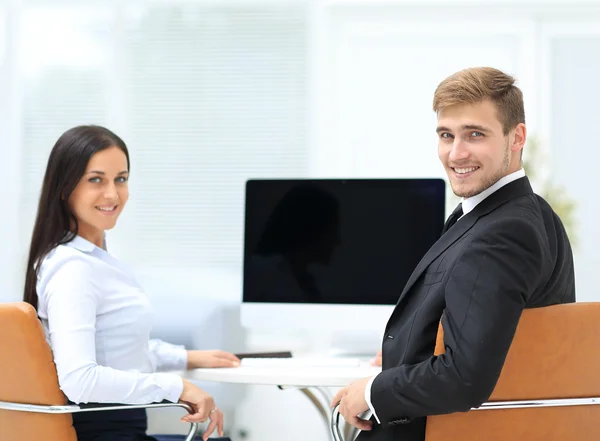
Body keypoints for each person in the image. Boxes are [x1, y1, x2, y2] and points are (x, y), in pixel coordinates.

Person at [331, 67, 576, 441]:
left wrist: (371, 392)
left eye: (475, 134)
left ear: (517, 137)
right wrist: (406, 358)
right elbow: (486, 330)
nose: (456, 153)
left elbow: (465, 376)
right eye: (447, 135)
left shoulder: (502, 233)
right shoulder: (531, 213)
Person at [23, 125, 239, 441]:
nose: (113, 194)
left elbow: (112, 345)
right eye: (96, 180)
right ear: (64, 188)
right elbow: (79, 379)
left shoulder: (90, 260)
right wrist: (177, 386)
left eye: (120, 179)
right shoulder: (73, 269)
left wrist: (184, 358)